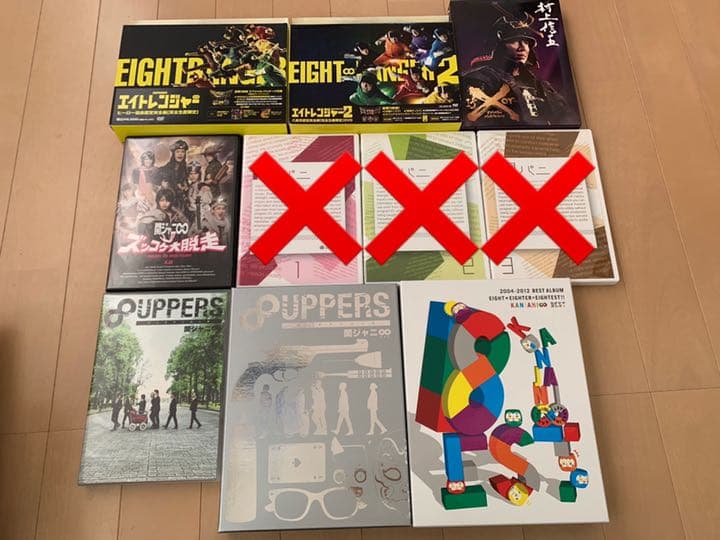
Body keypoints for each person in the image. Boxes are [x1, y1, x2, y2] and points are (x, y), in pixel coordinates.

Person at [461, 13, 574, 126]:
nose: (522, 48)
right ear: (498, 46)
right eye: (514, 41)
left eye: (526, 42)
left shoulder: (542, 86)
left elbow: (567, 120)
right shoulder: (480, 79)